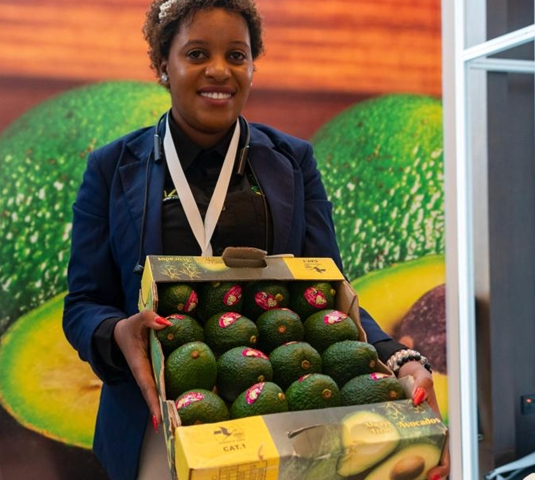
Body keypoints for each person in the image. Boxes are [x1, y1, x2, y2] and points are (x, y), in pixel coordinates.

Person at [63, 0, 448, 478]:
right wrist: (117, 333)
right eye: (198, 54)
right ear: (165, 64)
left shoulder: (292, 162)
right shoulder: (111, 167)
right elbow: (83, 303)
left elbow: (328, 293)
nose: (220, 70)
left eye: (237, 55)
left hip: (284, 414)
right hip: (158, 424)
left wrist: (400, 357)